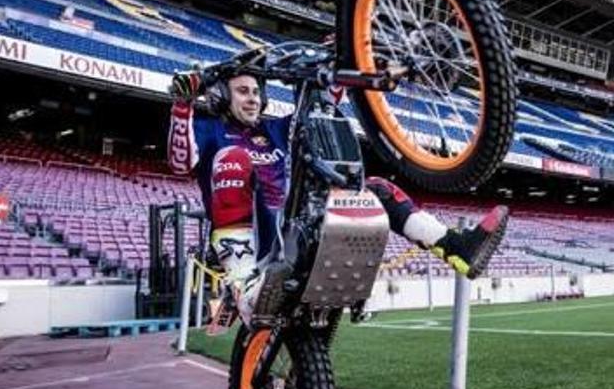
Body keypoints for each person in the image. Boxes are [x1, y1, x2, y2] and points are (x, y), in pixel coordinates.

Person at [168, 66, 508, 326]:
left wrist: (339, 60)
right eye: (242, 92)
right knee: (234, 159)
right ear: (221, 97)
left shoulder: (274, 130)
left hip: (295, 235)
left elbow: (323, 103)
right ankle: (243, 289)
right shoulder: (208, 129)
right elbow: (180, 162)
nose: (253, 98)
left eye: (257, 91)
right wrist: (183, 106)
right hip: (252, 246)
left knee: (376, 188)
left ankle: (458, 249)